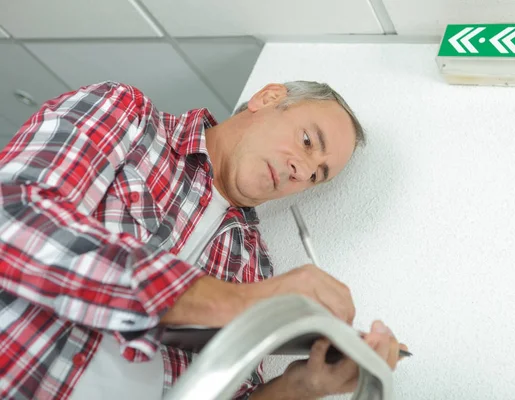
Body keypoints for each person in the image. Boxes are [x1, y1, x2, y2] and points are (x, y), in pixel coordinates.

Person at [0, 80, 408, 399]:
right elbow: (12, 216)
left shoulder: (255, 267)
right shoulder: (128, 115)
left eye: (316, 175)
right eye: (306, 142)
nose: (301, 172)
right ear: (267, 98)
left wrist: (304, 387)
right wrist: (241, 305)